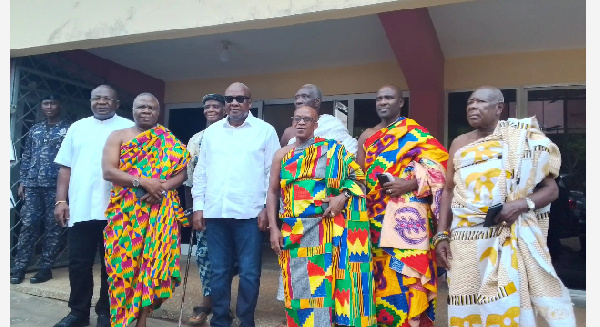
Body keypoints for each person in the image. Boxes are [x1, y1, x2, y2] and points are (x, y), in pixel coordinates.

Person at [436, 86, 576, 326]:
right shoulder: (459, 143)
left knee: (508, 301)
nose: (473, 107)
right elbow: (448, 190)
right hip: (465, 238)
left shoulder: (522, 140)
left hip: (508, 235)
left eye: (480, 102)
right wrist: (441, 234)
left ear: (499, 107)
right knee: (464, 299)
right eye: (470, 102)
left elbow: (551, 190)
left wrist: (521, 204)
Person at [267, 105, 376, 326]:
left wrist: (342, 197)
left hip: (328, 227)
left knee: (330, 283)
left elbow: (359, 179)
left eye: (307, 120)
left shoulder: (332, 150)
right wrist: (273, 228)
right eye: (297, 119)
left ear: (316, 125)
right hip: (294, 230)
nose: (301, 123)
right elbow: (272, 191)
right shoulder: (281, 154)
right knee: (299, 286)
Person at [356, 85, 448, 326]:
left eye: (388, 97)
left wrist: (407, 184)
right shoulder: (367, 137)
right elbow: (358, 177)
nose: (382, 102)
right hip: (372, 220)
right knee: (376, 279)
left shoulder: (416, 133)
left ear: (400, 103)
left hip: (406, 223)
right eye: (378, 98)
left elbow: (441, 169)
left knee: (407, 276)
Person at [192, 82, 280, 327]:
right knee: (218, 272)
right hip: (216, 213)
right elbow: (201, 172)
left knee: (250, 273)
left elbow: (272, 174)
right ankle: (220, 319)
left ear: (249, 103)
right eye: (229, 99)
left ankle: (246, 320)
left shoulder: (265, 131)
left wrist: (266, 208)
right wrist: (199, 206)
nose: (234, 103)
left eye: (240, 99)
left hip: (250, 214)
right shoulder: (212, 133)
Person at [102, 92, 190, 327]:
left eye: (151, 108)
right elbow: (109, 172)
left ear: (158, 112)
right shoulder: (118, 136)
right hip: (126, 213)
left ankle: (142, 320)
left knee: (152, 266)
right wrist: (143, 182)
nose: (146, 111)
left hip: (159, 213)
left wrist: (161, 188)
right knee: (122, 267)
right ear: (132, 110)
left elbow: (183, 169)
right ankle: (120, 319)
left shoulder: (168, 139)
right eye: (141, 107)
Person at [53, 85, 134, 327]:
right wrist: (61, 200)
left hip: (118, 210)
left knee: (113, 265)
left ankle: (106, 313)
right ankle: (78, 312)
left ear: (116, 103)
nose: (101, 102)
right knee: (78, 263)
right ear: (90, 101)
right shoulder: (77, 128)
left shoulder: (129, 128)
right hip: (81, 206)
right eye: (96, 98)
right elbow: (65, 167)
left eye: (107, 99)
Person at [11, 94, 71, 284]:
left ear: (60, 104)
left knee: (53, 227)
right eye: (46, 103)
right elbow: (27, 155)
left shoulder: (69, 129)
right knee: (29, 225)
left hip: (56, 186)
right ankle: (20, 267)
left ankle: (45, 268)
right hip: (34, 185)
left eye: (53, 103)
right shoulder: (35, 129)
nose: (49, 107)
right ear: (41, 106)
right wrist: (23, 181)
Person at [183, 93, 227, 325]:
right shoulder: (195, 140)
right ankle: (208, 302)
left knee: (230, 261)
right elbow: (189, 179)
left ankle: (223, 303)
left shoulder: (234, 135)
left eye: (216, 106)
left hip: (232, 210)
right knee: (205, 258)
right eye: (207, 106)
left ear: (225, 109)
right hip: (205, 210)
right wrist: (191, 210)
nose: (211, 109)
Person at [280, 84, 357, 154]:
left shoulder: (332, 124)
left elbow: (348, 151)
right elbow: (282, 160)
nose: (298, 101)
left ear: (317, 102)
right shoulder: (288, 133)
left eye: (304, 97)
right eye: (296, 98)